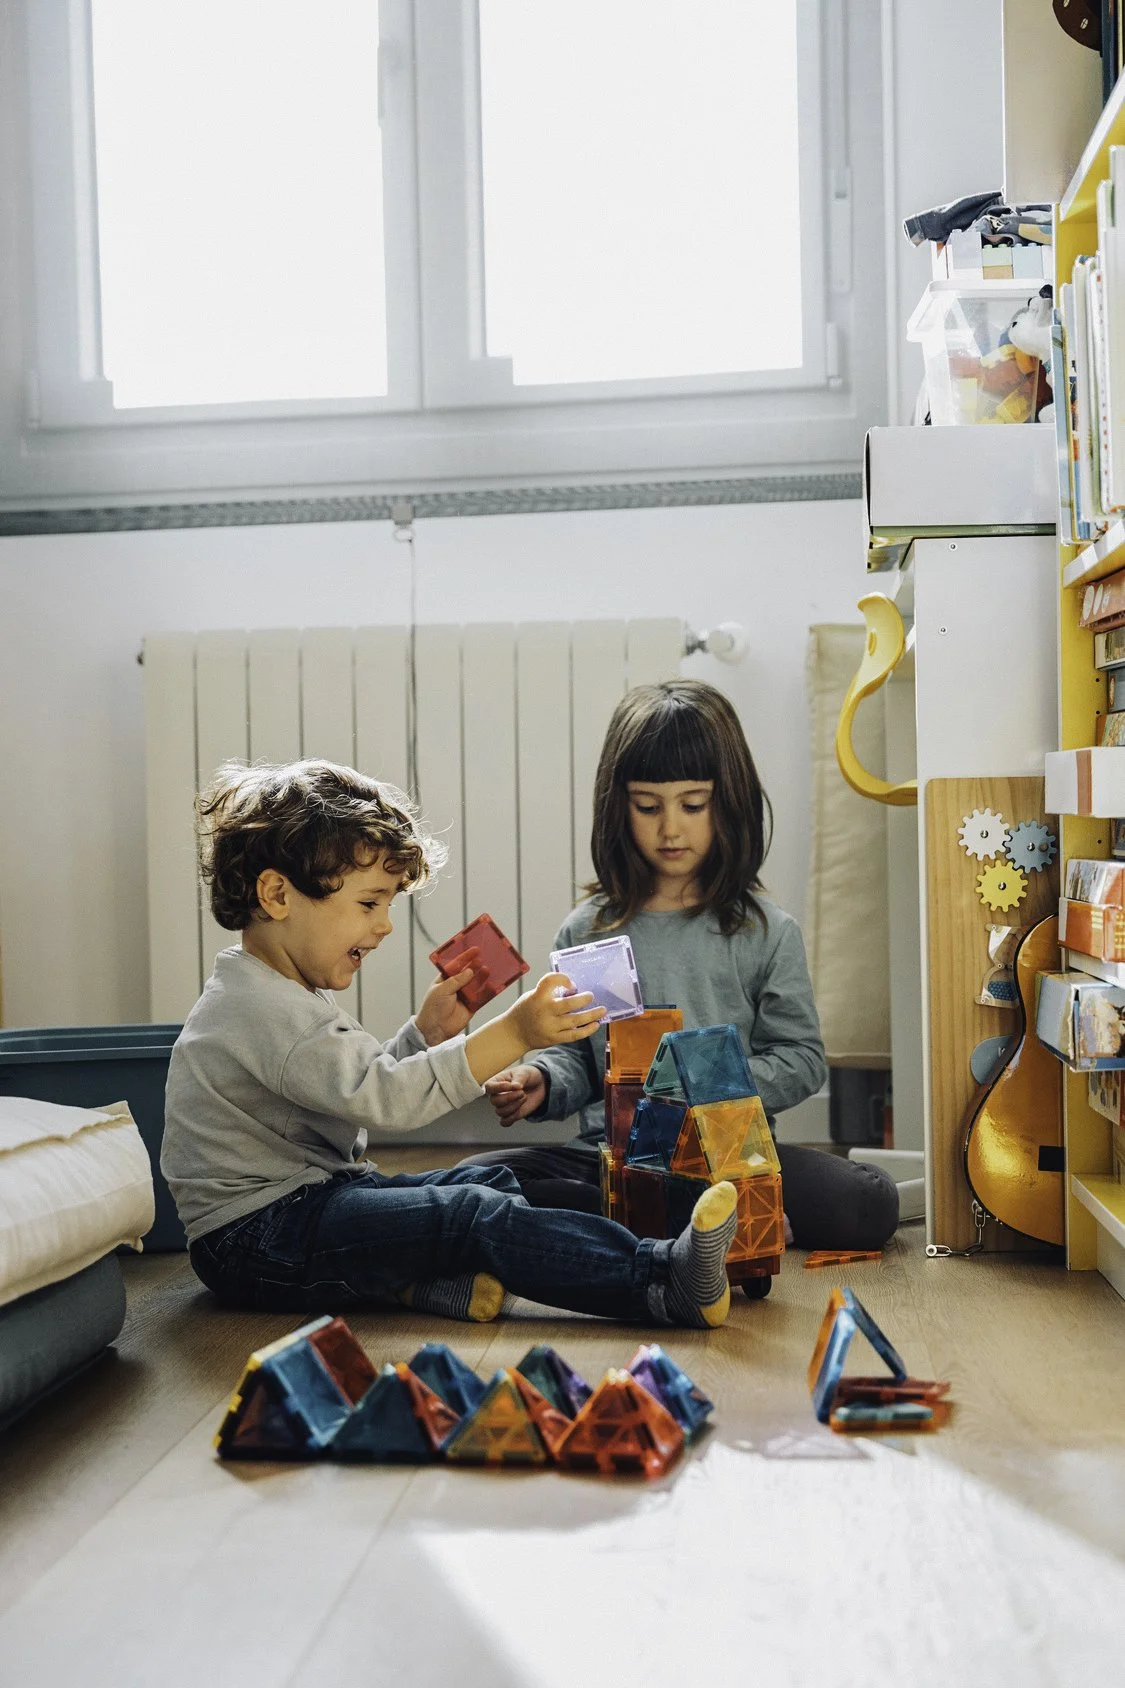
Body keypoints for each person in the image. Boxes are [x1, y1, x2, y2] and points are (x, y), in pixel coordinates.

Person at [161, 757, 742, 1330]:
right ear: (277, 895)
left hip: (298, 1210)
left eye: (387, 903)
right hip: (257, 1241)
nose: (385, 925)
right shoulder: (264, 1009)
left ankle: (422, 1281)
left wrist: (425, 1034)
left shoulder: (271, 992)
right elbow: (386, 1098)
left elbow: (352, 1083)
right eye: (369, 902)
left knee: (483, 1184)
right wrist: (514, 1033)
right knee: (469, 1214)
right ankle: (664, 1281)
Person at [460, 680, 899, 1251]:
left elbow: (801, 1061)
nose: (670, 828)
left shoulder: (766, 932)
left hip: (730, 1159)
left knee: (867, 1199)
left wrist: (705, 1091)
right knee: (478, 1179)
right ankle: (692, 1228)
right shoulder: (591, 930)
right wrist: (540, 1080)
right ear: (619, 807)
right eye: (648, 807)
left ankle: (664, 1227)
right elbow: (579, 1057)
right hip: (613, 1161)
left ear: (729, 801)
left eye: (693, 805)